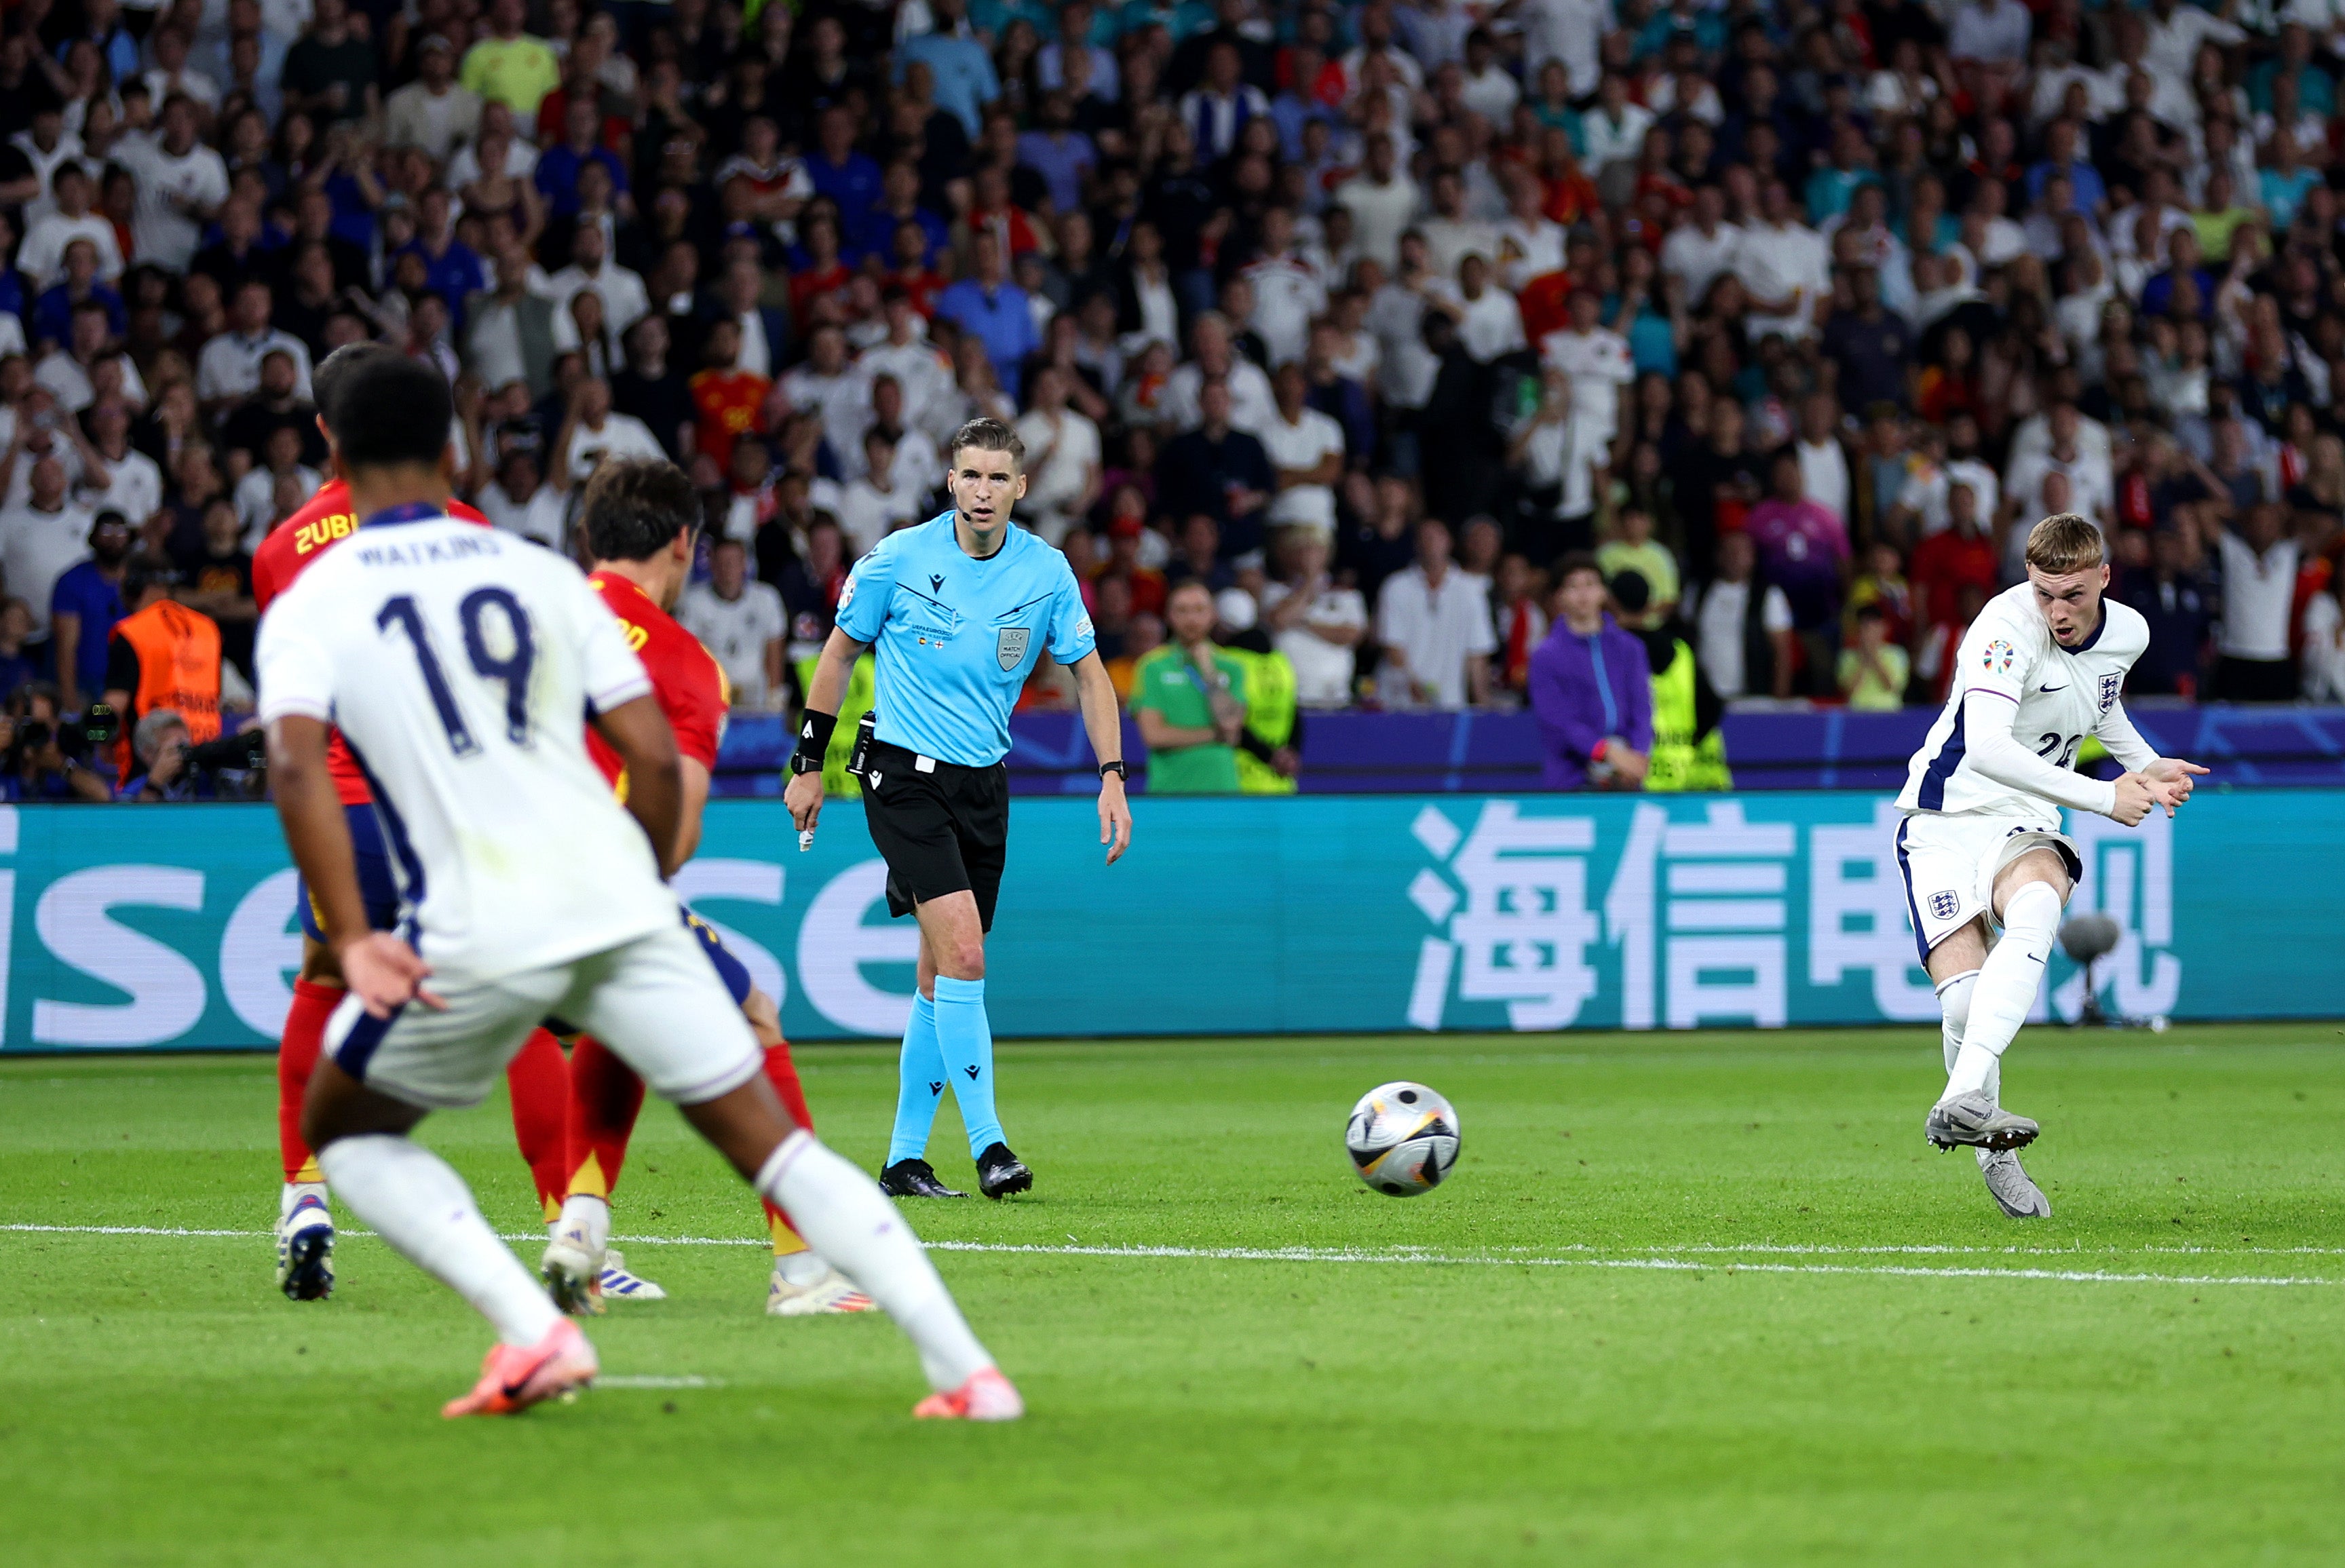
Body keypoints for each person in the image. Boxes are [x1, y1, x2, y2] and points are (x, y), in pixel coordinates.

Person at [256, 351, 1019, 1421]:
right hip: (615, 902)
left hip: (476, 913)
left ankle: (535, 1330)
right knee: (775, 1141)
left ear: (330, 448)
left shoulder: (305, 583)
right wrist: (642, 889)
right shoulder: (532, 577)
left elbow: (295, 765)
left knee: (348, 1127)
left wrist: (352, 929)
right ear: (449, 451)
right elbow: (656, 765)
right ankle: (967, 1371)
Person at [249, 343, 570, 1303]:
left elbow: (293, 720)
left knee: (321, 980)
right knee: (516, 1008)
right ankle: (570, 1224)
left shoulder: (281, 552)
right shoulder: (476, 532)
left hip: (345, 800)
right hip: (450, 804)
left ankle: (305, 1195)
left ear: (325, 433)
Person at [539, 457, 873, 1320]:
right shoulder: (685, 663)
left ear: (587, 538)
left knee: (623, 1010)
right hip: (594, 893)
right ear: (685, 546)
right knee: (753, 1009)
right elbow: (675, 836)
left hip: (470, 897)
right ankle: (801, 1271)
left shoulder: (522, 616)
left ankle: (579, 1227)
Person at [786, 417, 1131, 1203]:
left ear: (1021, 488)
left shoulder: (1046, 573)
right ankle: (991, 1146)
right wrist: (808, 764)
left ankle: (905, 1159)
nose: (982, 491)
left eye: (997, 478)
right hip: (900, 773)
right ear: (950, 481)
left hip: (983, 784)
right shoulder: (900, 559)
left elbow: (1092, 676)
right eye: (969, 475)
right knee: (968, 957)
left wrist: (1112, 775)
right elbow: (838, 652)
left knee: (942, 977)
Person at [1894, 513, 2207, 1220]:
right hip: (1944, 821)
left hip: (2026, 820)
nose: (2057, 611)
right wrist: (2106, 796)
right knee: (1966, 1006)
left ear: (2103, 577)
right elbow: (1987, 750)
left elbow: (2099, 705)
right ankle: (1991, 1148)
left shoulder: (2130, 633)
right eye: (2043, 593)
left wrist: (2145, 764)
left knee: (2038, 902)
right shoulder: (2004, 629)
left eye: (2071, 594)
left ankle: (1962, 1098)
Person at [1528, 554, 1652, 790]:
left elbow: (1642, 709)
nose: (1584, 594)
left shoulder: (1630, 648)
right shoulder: (1546, 656)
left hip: (1625, 776)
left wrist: (1635, 757)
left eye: (1591, 584)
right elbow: (1558, 721)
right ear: (1559, 597)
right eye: (1573, 586)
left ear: (1603, 592)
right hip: (1572, 779)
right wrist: (1605, 752)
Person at [1131, 579, 1248, 792]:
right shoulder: (1153, 666)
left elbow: (1230, 723)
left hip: (1222, 788)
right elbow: (1153, 735)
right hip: (1169, 789)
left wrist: (1208, 670)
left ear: (1213, 615)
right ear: (1169, 616)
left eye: (1199, 610)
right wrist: (1215, 736)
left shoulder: (1232, 667)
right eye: (1182, 611)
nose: (1191, 619)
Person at [1374, 517, 1495, 708]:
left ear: (1449, 542)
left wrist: (1483, 702)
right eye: (1425, 538)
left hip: (1450, 703)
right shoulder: (1396, 586)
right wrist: (1414, 687)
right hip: (1400, 703)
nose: (1431, 543)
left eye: (1437, 536)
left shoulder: (1471, 590)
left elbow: (1477, 653)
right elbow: (1392, 645)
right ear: (1416, 545)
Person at [677, 537, 786, 710]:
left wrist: (775, 696)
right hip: (711, 698)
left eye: (734, 562)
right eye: (722, 562)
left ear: (745, 565)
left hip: (756, 698)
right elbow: (687, 654)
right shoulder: (694, 602)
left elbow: (774, 651)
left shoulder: (766, 599)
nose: (728, 569)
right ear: (712, 565)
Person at [1837, 603, 1910, 710]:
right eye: (1865, 628)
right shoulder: (1848, 656)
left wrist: (1875, 658)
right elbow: (1850, 690)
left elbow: (1893, 687)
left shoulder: (1897, 654)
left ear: (1883, 628)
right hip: (1857, 713)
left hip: (1888, 712)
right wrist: (1864, 661)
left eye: (1873, 627)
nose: (1869, 633)